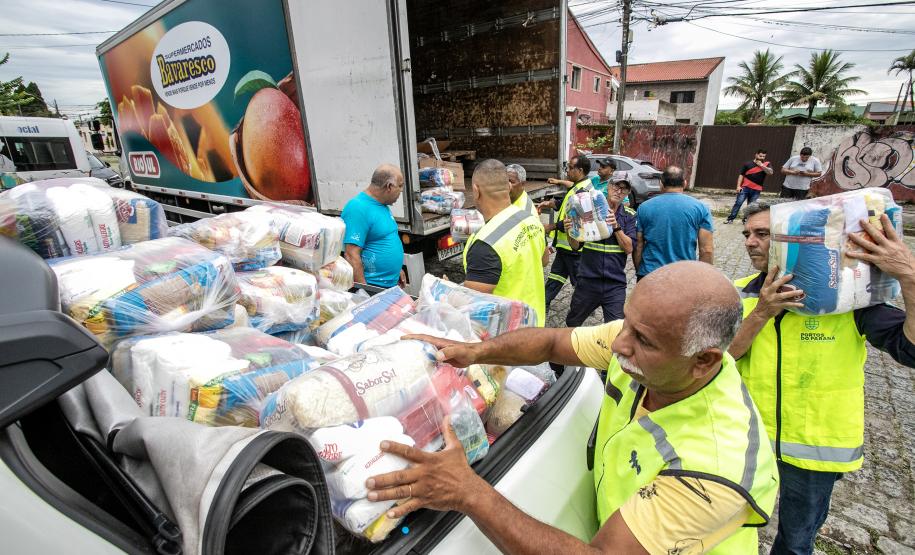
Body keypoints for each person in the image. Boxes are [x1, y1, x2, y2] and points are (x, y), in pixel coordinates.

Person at [367, 261, 779, 554]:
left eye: (644, 340)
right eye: (627, 323)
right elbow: (551, 343)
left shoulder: (715, 465)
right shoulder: (640, 349)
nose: (619, 345)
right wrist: (474, 351)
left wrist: (468, 492)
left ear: (703, 361)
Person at [730, 201, 915, 555]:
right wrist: (763, 313)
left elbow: (909, 349)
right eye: (747, 234)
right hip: (749, 438)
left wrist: (909, 275)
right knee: (731, 522)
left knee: (796, 542)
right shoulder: (741, 292)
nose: (750, 242)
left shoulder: (848, 300)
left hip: (814, 449)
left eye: (762, 234)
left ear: (795, 241)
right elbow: (720, 360)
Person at [462, 159, 546, 326]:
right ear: (508, 187)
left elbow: (473, 308)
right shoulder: (531, 219)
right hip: (535, 325)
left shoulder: (485, 244)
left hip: (507, 339)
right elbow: (544, 261)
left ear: (476, 191)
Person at [565, 176, 637, 326]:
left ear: (627, 193)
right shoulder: (589, 209)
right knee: (572, 323)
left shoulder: (629, 215)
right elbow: (575, 246)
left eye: (624, 189)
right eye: (616, 186)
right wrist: (569, 231)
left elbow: (629, 248)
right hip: (587, 281)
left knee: (616, 329)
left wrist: (616, 226)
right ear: (608, 187)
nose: (619, 191)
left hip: (614, 284)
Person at [633, 166, 713, 280]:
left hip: (650, 274)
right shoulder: (701, 208)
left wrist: (640, 273)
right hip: (684, 275)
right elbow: (706, 250)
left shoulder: (644, 207)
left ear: (661, 184)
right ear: (684, 183)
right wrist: (703, 279)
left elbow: (638, 245)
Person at [540, 155, 593, 311]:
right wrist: (551, 203)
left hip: (575, 248)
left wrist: (551, 227)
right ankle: (544, 304)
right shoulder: (578, 186)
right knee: (555, 276)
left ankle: (586, 307)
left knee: (579, 282)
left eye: (570, 167)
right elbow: (567, 204)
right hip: (565, 247)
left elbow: (577, 221)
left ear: (580, 170)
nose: (567, 170)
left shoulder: (584, 192)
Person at [341, 164, 406, 288]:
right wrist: (364, 293)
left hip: (389, 286)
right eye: (400, 186)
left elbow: (384, 238)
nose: (402, 190)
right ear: (389, 187)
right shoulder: (358, 208)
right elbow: (351, 255)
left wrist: (397, 269)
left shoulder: (382, 205)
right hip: (374, 288)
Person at [725, 149, 773, 224]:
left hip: (757, 189)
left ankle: (745, 220)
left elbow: (770, 172)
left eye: (763, 156)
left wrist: (762, 165)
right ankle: (730, 219)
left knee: (751, 206)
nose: (762, 158)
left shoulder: (767, 164)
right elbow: (741, 175)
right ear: (756, 155)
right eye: (760, 156)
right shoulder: (747, 164)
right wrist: (738, 186)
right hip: (745, 188)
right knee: (738, 203)